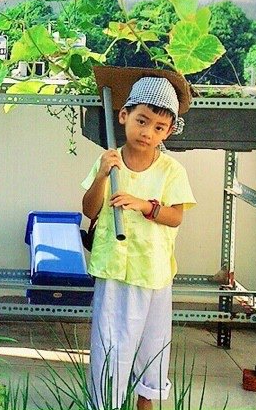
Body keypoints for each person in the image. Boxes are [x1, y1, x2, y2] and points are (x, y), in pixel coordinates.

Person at [80, 75, 196, 410]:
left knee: (153, 348)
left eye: (159, 127)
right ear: (124, 116)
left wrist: (145, 206)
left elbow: (176, 216)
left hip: (154, 273)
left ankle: (146, 404)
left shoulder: (171, 170)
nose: (147, 132)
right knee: (111, 346)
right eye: (141, 121)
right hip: (114, 271)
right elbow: (89, 209)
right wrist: (102, 175)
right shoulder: (109, 161)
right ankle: (107, 404)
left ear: (168, 132)